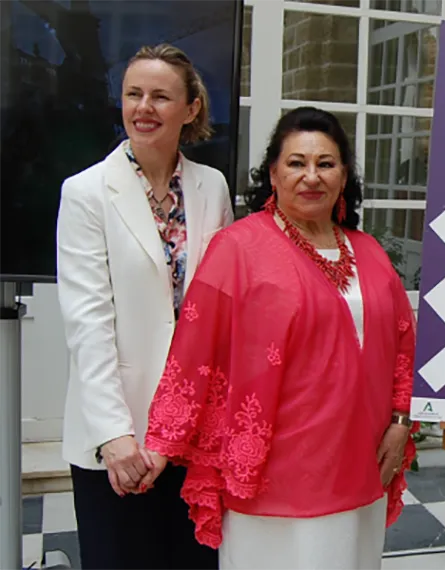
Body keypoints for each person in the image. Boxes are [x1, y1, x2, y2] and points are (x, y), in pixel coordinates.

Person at [141, 106, 417, 570]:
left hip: (362, 463)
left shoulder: (369, 252)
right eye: (296, 163)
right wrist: (160, 444)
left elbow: (403, 346)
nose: (311, 176)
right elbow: (194, 351)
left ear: (344, 175)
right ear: (273, 173)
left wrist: (400, 420)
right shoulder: (239, 248)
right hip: (273, 473)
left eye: (326, 164)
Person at [55, 43, 233, 570]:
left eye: (160, 96)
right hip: (121, 435)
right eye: (134, 94)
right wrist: (115, 435)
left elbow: (219, 311)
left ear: (191, 108)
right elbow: (88, 323)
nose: (144, 108)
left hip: (194, 431)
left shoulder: (212, 187)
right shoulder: (86, 192)